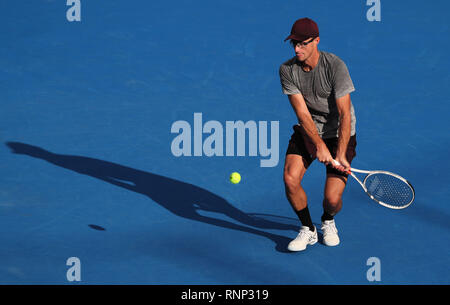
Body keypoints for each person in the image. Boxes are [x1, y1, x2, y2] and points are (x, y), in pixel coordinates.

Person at [279, 18, 357, 251]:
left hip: (340, 133)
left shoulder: (335, 66)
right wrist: (318, 144)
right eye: (294, 43)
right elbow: (302, 114)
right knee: (290, 178)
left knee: (332, 200)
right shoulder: (287, 70)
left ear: (316, 41)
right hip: (310, 130)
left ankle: (327, 220)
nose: (297, 49)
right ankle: (308, 230)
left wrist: (340, 153)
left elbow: (344, 113)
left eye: (302, 44)